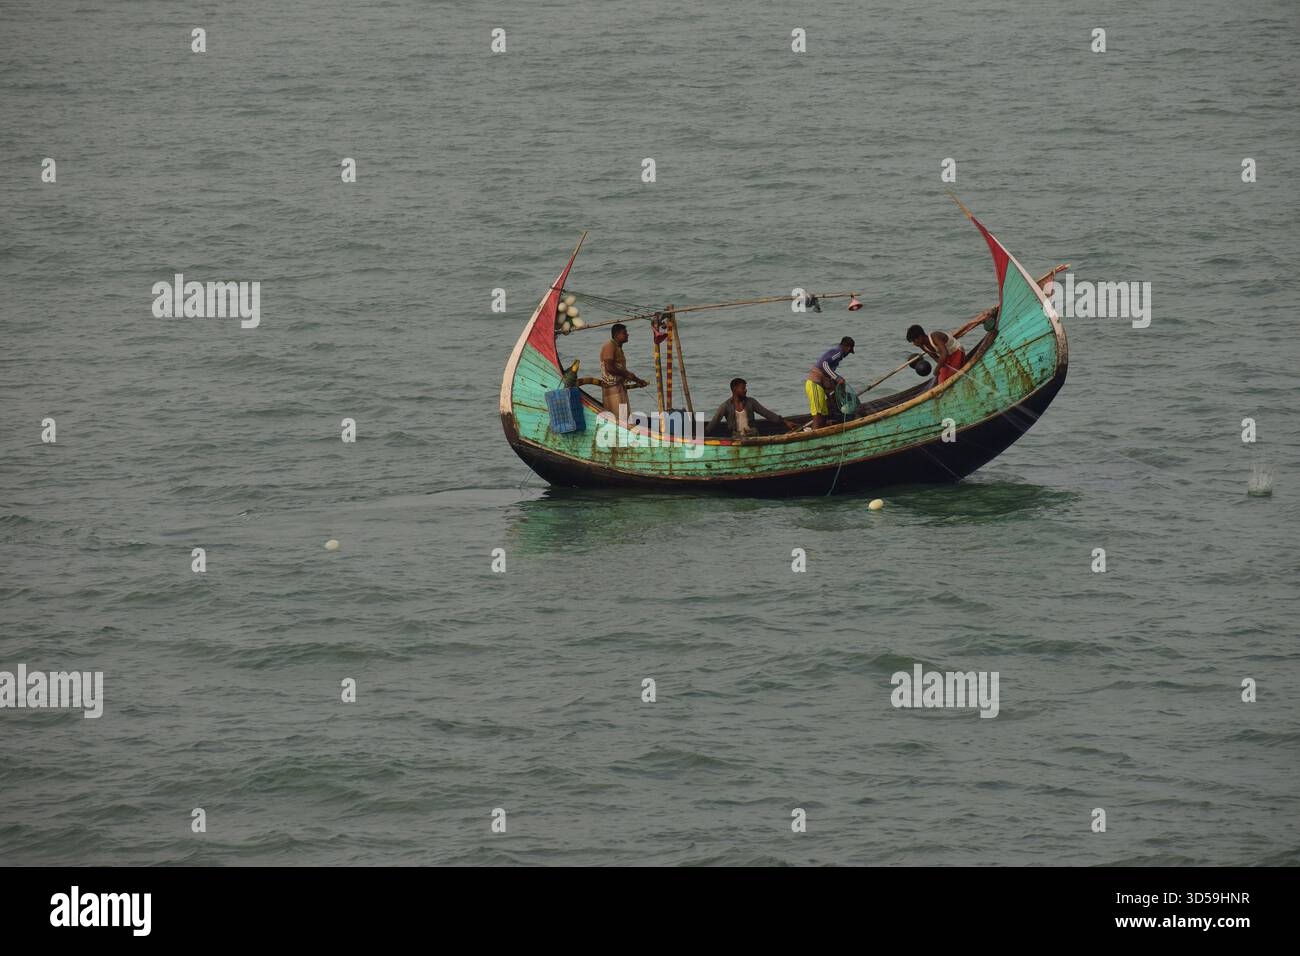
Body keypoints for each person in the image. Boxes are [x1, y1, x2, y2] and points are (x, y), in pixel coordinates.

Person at [707, 378, 794, 437]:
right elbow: (714, 422)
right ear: (734, 389)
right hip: (736, 438)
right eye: (743, 388)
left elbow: (766, 413)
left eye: (745, 388)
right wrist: (701, 435)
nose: (746, 390)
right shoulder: (726, 406)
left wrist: (784, 421)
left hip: (753, 436)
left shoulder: (751, 402)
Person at [806, 336, 855, 430]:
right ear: (848, 348)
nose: (848, 354)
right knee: (817, 413)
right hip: (814, 384)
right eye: (849, 351)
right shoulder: (838, 352)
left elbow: (827, 372)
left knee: (824, 414)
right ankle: (814, 436)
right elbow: (824, 364)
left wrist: (837, 380)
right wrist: (837, 378)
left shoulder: (837, 354)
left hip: (820, 386)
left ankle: (821, 432)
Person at [599, 323, 647, 419]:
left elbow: (619, 369)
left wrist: (636, 379)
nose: (627, 334)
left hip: (618, 388)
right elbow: (609, 367)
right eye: (624, 333)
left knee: (624, 418)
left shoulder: (617, 347)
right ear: (617, 335)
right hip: (613, 389)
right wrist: (628, 375)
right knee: (620, 419)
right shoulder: (609, 346)